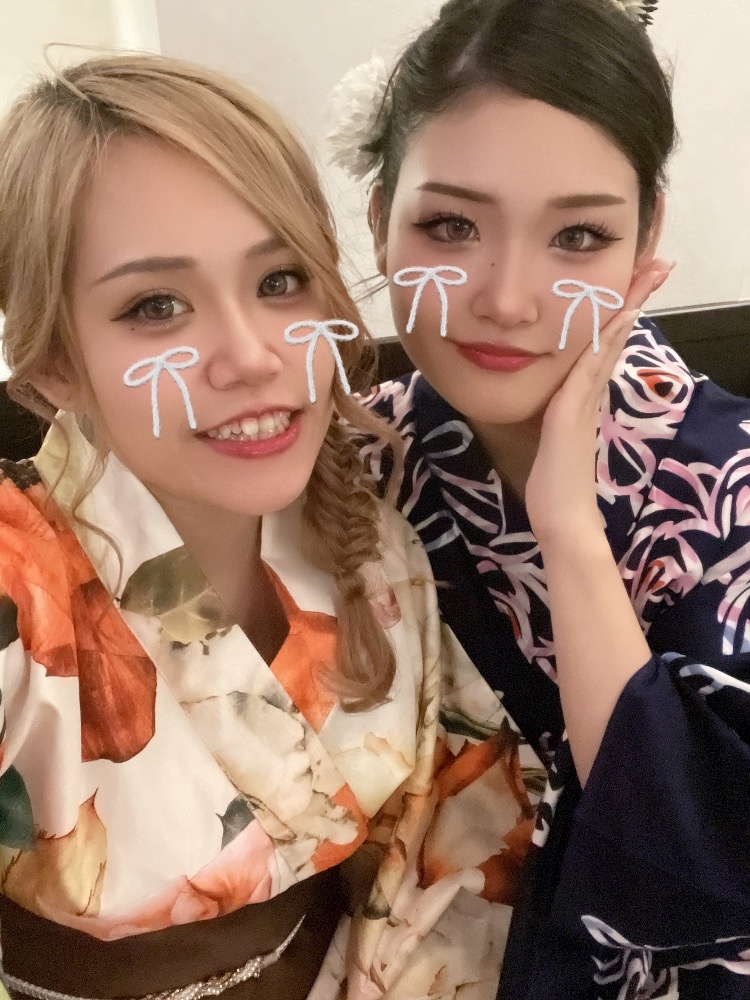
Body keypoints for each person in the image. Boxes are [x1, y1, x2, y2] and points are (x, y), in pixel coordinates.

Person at [0, 54, 545, 1000]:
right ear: (54, 364)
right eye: (156, 306)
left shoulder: (374, 552)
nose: (253, 356)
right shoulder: (18, 589)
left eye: (282, 280)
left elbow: (452, 860)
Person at [327, 0, 750, 996]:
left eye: (579, 235)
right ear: (380, 221)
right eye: (452, 225)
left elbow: (701, 869)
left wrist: (568, 528)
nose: (509, 298)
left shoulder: (729, 487)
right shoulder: (354, 464)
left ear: (645, 238)